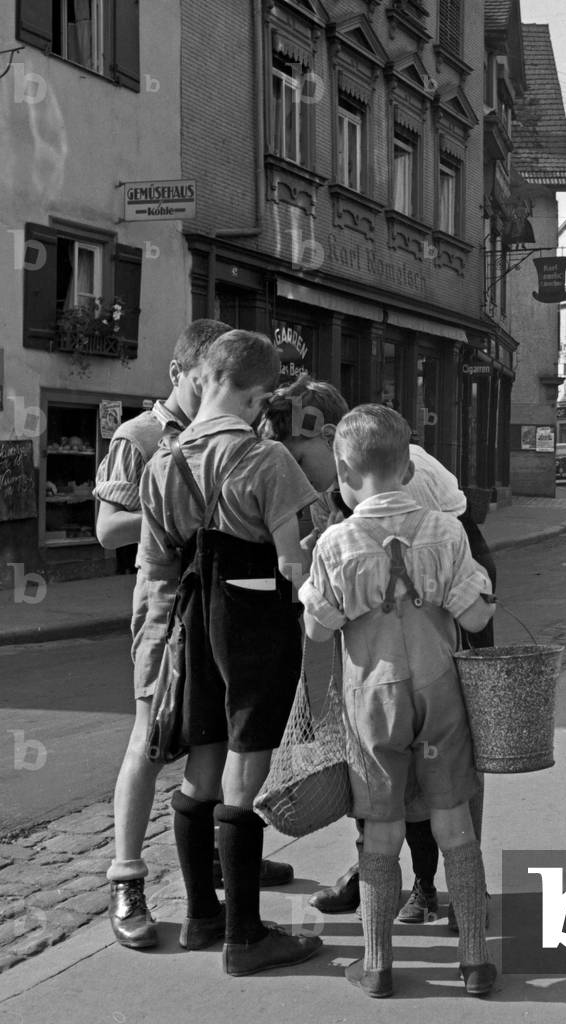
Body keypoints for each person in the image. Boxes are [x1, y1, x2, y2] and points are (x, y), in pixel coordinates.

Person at [94, 319, 294, 951]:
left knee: (208, 749)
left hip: (203, 611)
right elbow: (112, 534)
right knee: (154, 743)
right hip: (178, 613)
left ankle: (212, 884)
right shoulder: (143, 440)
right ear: (190, 373)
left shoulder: (202, 451)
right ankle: (130, 877)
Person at [137, 330, 322, 976]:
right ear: (258, 396)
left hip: (193, 619)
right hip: (253, 622)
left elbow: (160, 556)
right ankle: (246, 936)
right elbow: (293, 561)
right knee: (245, 771)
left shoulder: (163, 462)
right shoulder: (267, 461)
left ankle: (200, 916)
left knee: (203, 761)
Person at [300, 404, 496, 999]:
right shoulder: (446, 530)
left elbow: (316, 628)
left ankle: (379, 964)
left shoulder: (336, 541)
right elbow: (477, 613)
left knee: (379, 831)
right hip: (439, 693)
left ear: (342, 471)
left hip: (373, 700)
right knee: (454, 824)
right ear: (410, 467)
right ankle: (474, 961)